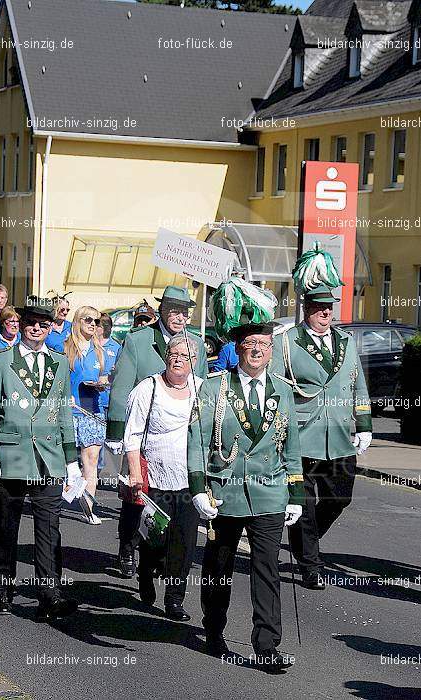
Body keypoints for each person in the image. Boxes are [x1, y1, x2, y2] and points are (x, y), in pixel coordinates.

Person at [187, 276, 304, 671]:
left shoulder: (283, 390)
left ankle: (267, 645)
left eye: (264, 345)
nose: (257, 351)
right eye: (250, 345)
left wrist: (297, 495)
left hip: (270, 494)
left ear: (272, 351)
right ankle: (214, 628)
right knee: (219, 567)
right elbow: (198, 441)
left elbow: (291, 446)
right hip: (226, 495)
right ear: (238, 350)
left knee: (266, 569)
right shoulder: (214, 389)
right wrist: (199, 489)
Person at [272, 243, 372, 590]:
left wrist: (364, 425)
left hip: (340, 436)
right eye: (318, 307)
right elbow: (274, 389)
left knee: (339, 498)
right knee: (306, 504)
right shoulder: (288, 343)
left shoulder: (346, 341)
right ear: (307, 309)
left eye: (328, 307)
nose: (325, 313)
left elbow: (357, 384)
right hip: (303, 435)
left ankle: (302, 544)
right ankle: (311, 564)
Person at [0, 297, 79, 621]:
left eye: (44, 323)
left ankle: (49, 595)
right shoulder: (0, 361)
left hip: (48, 458)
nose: (37, 327)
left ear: (51, 327)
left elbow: (64, 411)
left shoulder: (60, 362)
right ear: (22, 323)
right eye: (32, 321)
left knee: (50, 527)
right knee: (6, 526)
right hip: (11, 456)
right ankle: (3, 589)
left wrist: (72, 460)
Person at [106, 285, 208, 578]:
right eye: (173, 310)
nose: (179, 317)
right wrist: (115, 433)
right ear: (161, 311)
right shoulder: (139, 340)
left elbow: (197, 387)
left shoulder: (194, 344)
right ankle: (127, 547)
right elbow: (122, 386)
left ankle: (160, 554)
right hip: (141, 432)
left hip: (177, 436)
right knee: (136, 496)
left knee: (174, 503)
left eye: (184, 311)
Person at [124, 335, 202, 621]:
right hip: (156, 478)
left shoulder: (201, 390)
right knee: (156, 537)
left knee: (184, 540)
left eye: (184, 355)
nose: (178, 359)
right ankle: (146, 571)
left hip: (190, 480)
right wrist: (134, 472)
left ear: (194, 362)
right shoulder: (149, 388)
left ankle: (175, 599)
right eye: (173, 353)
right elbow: (132, 435)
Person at [65, 306, 107, 524]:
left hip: (93, 411)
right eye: (88, 319)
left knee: (90, 462)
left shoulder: (99, 350)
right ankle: (55, 499)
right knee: (66, 461)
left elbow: (106, 377)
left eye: (96, 321)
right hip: (68, 412)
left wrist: (103, 384)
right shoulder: (64, 348)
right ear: (78, 321)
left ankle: (89, 508)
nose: (93, 324)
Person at [96, 313, 121, 472]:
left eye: (96, 325)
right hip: (93, 399)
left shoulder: (116, 347)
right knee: (95, 437)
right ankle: (94, 469)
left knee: (106, 437)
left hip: (109, 399)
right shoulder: (90, 345)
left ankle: (100, 469)